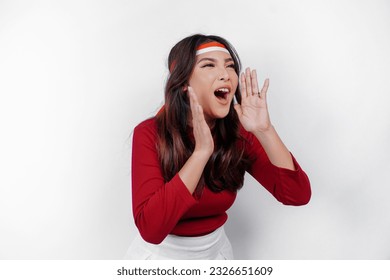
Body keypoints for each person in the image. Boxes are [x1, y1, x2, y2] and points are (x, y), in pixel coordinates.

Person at [126, 34, 311, 260]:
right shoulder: (149, 133)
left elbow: (297, 195)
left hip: (217, 255)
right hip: (160, 259)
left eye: (230, 66)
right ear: (184, 83)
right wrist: (201, 153)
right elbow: (151, 229)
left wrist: (265, 130)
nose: (225, 75)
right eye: (209, 65)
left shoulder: (238, 131)